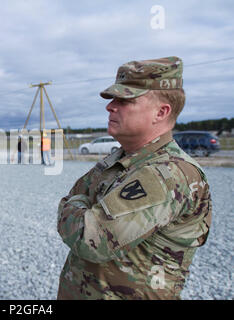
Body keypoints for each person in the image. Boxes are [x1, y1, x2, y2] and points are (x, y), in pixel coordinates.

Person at [56, 56, 212, 300]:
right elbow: (78, 194)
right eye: (113, 99)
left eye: (124, 100)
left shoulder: (167, 173)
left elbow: (88, 238)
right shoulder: (124, 158)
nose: (110, 107)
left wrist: (73, 206)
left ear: (161, 112)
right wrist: (79, 205)